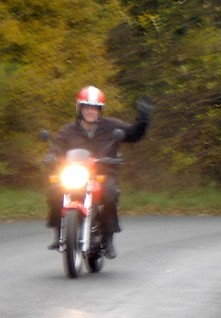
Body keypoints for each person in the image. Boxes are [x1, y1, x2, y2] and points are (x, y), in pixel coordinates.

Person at [44, 85, 152, 259]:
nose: (90, 111)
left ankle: (108, 239)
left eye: (94, 108)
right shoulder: (67, 131)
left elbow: (133, 134)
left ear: (100, 109)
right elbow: (56, 146)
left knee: (109, 193)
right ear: (79, 108)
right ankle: (59, 234)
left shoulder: (112, 126)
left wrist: (143, 121)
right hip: (74, 173)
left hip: (102, 174)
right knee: (55, 190)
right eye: (86, 107)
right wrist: (51, 156)